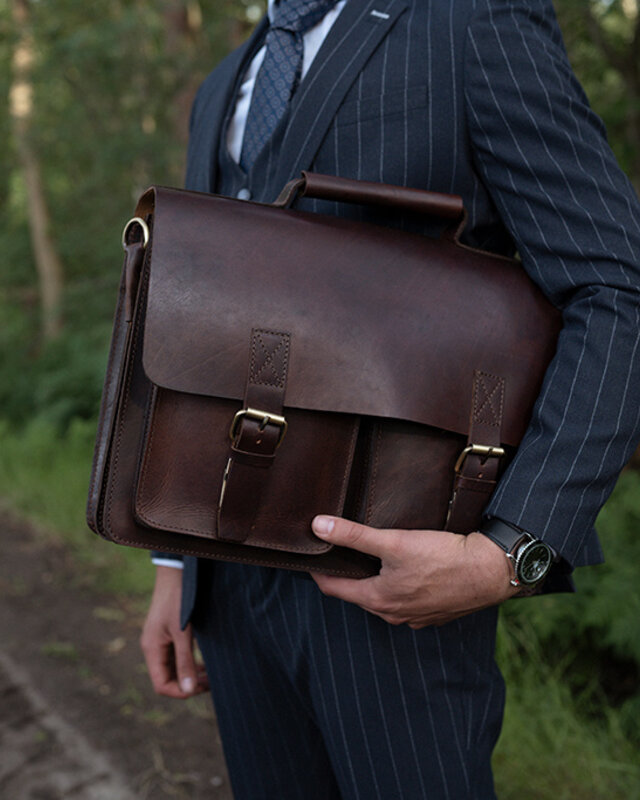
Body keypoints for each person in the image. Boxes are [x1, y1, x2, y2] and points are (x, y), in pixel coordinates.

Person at [141, 1, 640, 797]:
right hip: (227, 588)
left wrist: (512, 550)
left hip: (394, 588)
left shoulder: (472, 25)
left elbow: (618, 285)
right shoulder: (220, 85)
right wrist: (175, 564)